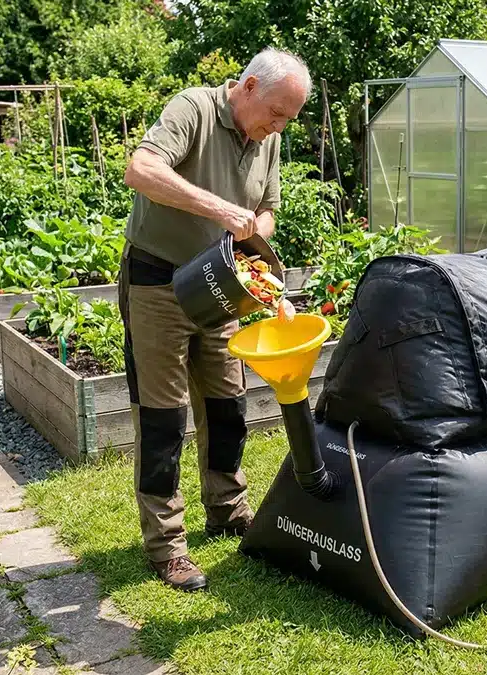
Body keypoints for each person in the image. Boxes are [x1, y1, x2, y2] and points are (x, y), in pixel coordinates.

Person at [119, 47, 310, 592]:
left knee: (227, 407)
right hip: (159, 281)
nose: (277, 127)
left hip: (222, 283)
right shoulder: (194, 109)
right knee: (163, 418)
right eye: (275, 113)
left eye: (287, 120)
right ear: (248, 87)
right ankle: (167, 546)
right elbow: (142, 169)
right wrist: (219, 210)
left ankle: (227, 509)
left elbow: (266, 209)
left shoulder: (267, 137)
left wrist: (258, 251)